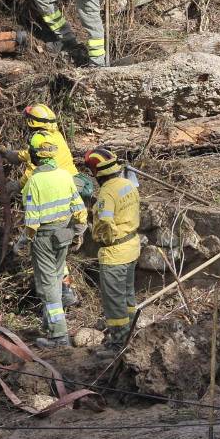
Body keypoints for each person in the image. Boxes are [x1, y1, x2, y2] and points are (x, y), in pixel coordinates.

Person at [1, 103, 85, 305]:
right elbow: (34, 154)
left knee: (49, 236)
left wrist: (14, 186)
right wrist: (11, 155)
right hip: (70, 183)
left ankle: (64, 290)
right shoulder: (53, 135)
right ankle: (64, 288)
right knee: (57, 238)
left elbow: (33, 171)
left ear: (31, 122)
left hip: (58, 186)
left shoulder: (39, 138)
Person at [21, 132, 87, 348]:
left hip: (44, 239)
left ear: (36, 156)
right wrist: (78, 232)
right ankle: (51, 328)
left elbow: (31, 221)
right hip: (63, 236)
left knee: (48, 287)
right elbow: (80, 210)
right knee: (57, 278)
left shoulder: (34, 182)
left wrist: (23, 241)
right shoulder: (66, 176)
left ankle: (59, 337)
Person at [84, 148, 142, 357]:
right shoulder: (128, 184)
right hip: (132, 248)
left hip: (115, 254)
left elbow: (105, 223)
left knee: (114, 301)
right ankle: (130, 335)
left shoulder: (106, 193)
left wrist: (99, 235)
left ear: (96, 173)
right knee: (127, 296)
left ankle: (118, 345)